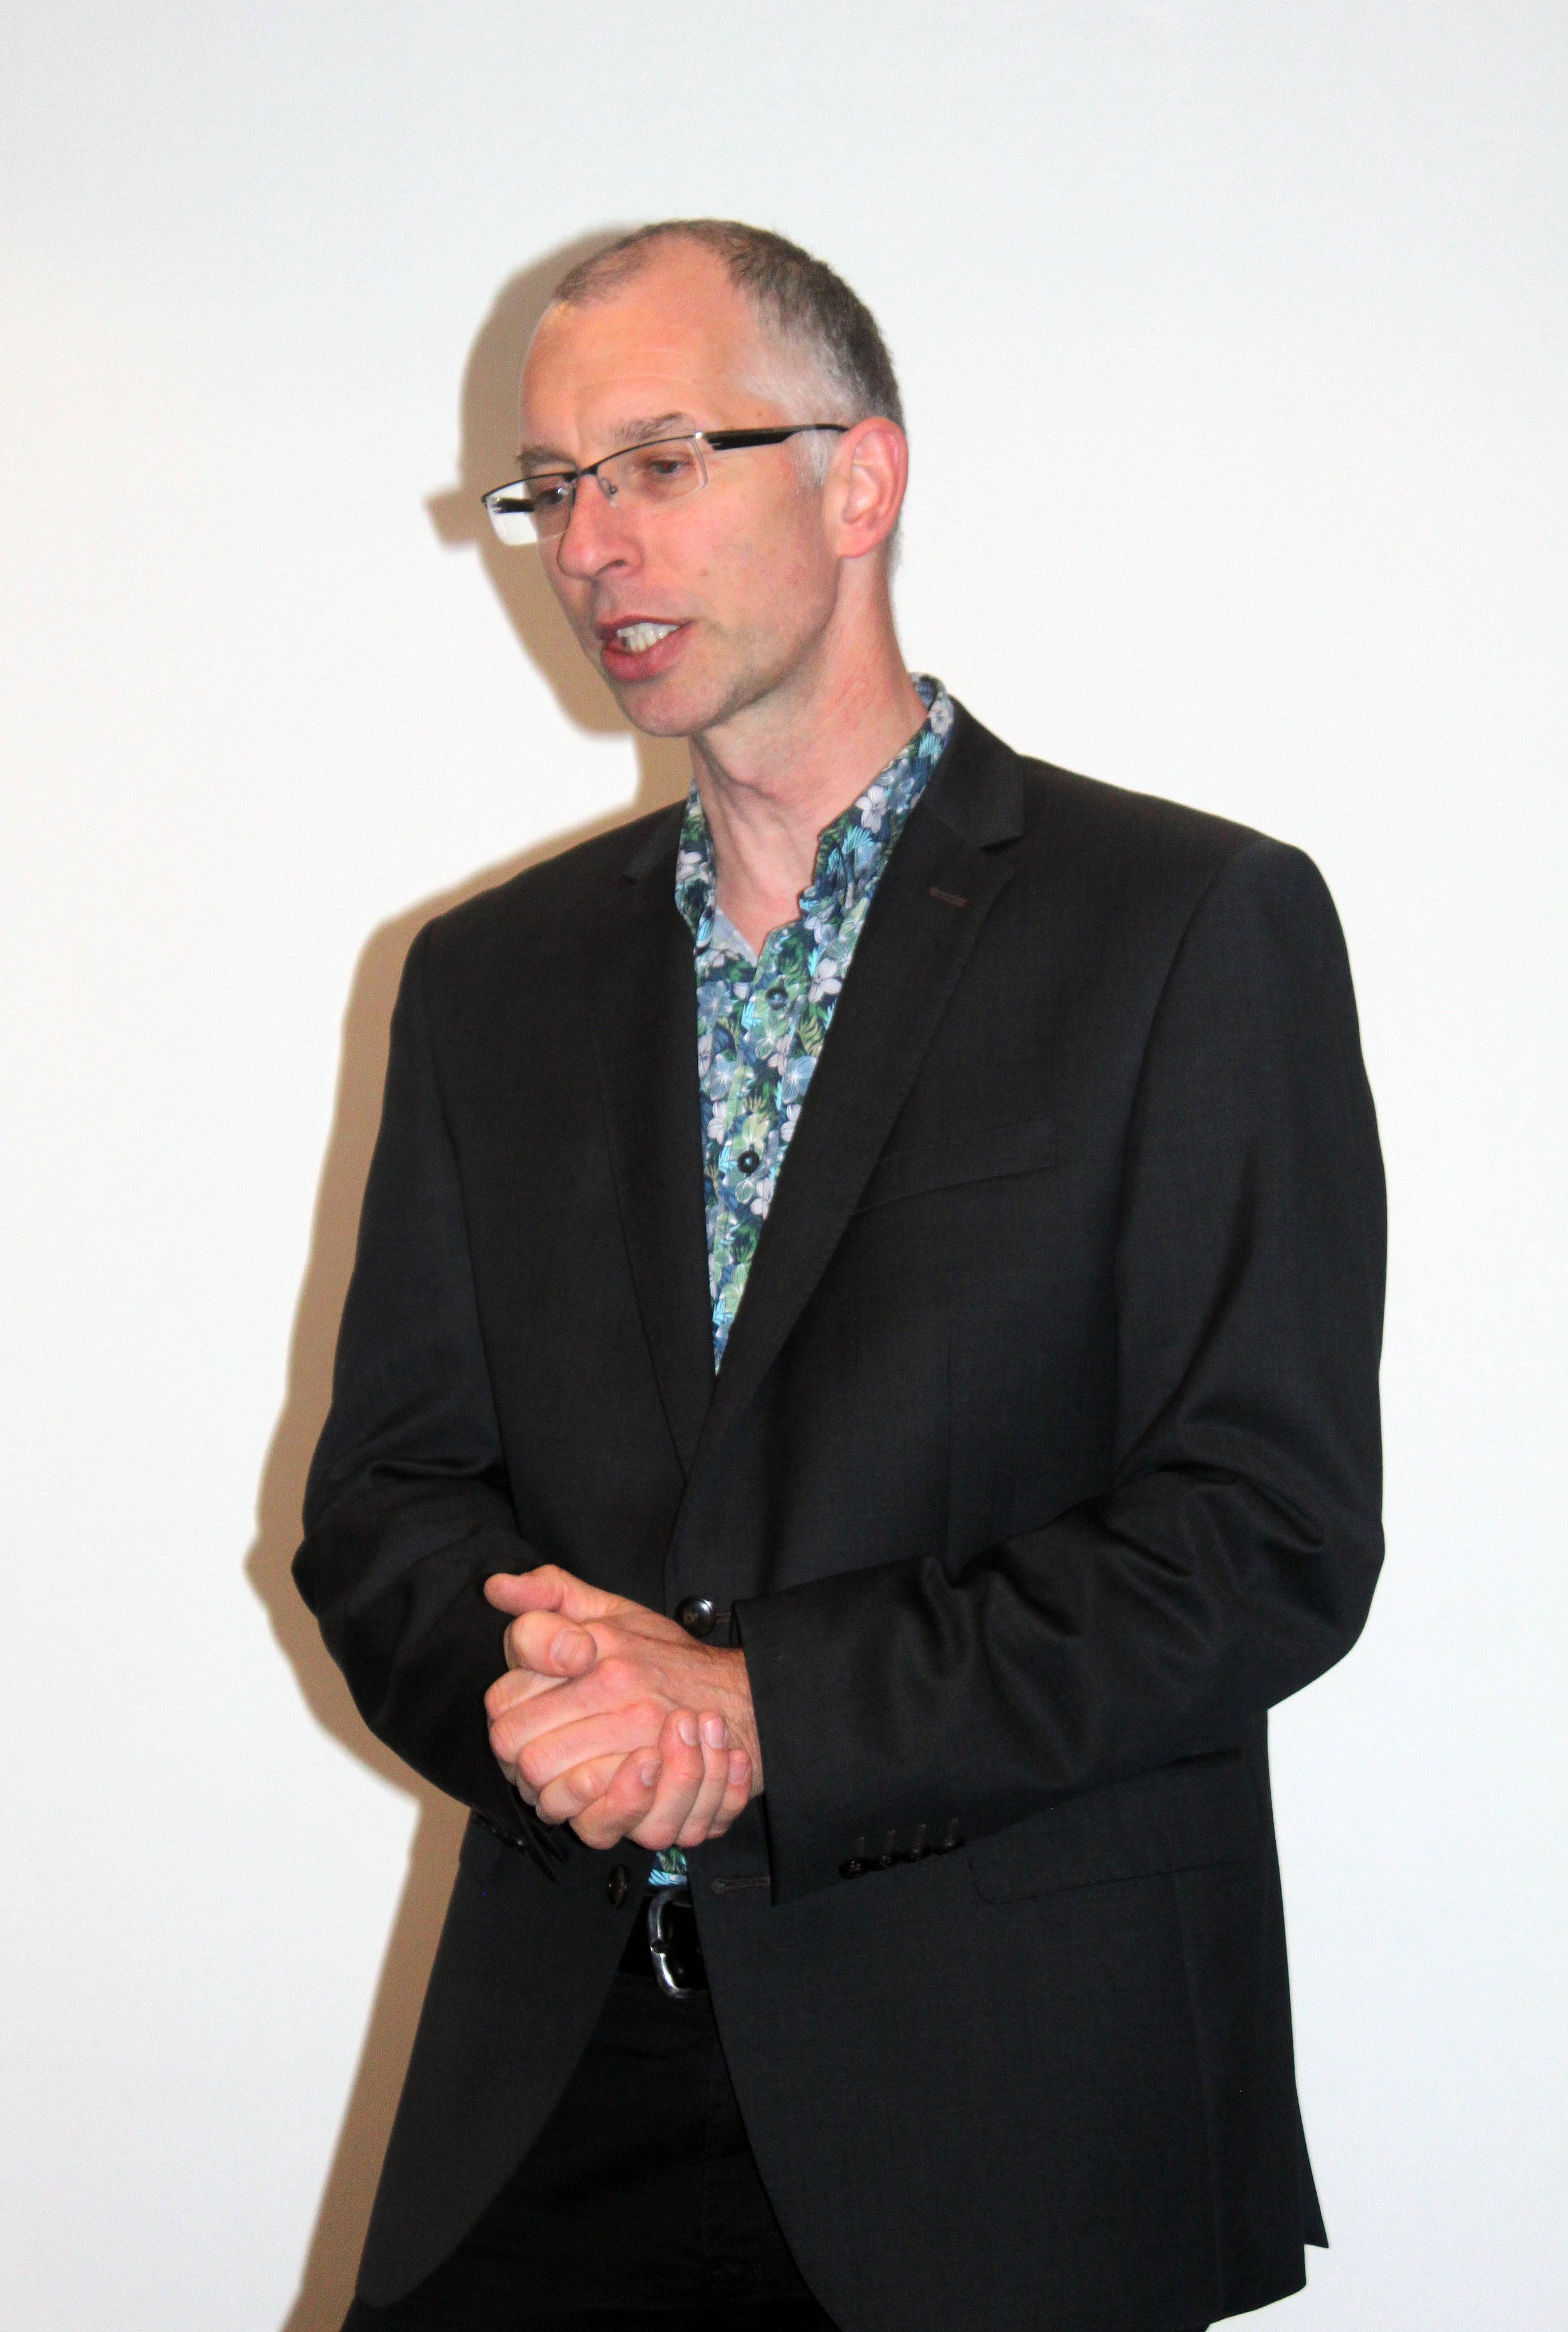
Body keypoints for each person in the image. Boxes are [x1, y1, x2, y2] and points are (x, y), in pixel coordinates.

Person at [295, 219, 1386, 2332]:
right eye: (553, 487)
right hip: (561, 2072)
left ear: (861, 479)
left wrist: (764, 1708)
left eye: (659, 460)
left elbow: (1262, 1536)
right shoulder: (486, 981)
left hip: (1011, 2111)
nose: (589, 544)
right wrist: (563, 1709)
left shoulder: (1185, 927)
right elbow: (388, 1501)